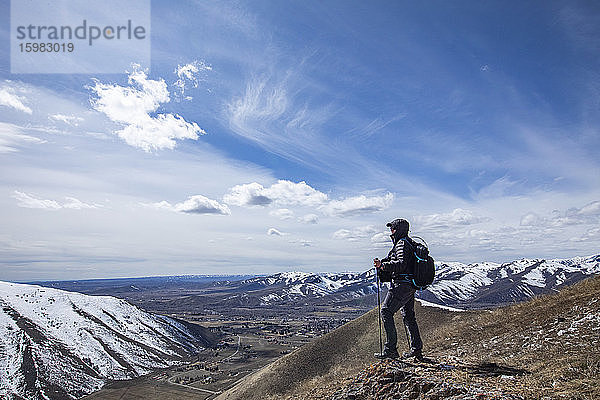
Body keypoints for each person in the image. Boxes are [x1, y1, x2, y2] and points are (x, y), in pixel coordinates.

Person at [374, 218, 423, 360]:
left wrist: (383, 266)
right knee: (408, 315)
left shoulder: (401, 244)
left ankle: (391, 350)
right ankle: (416, 349)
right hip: (410, 285)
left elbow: (401, 264)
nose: (391, 231)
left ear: (398, 230)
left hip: (401, 284)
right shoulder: (409, 243)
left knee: (386, 311)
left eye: (393, 228)